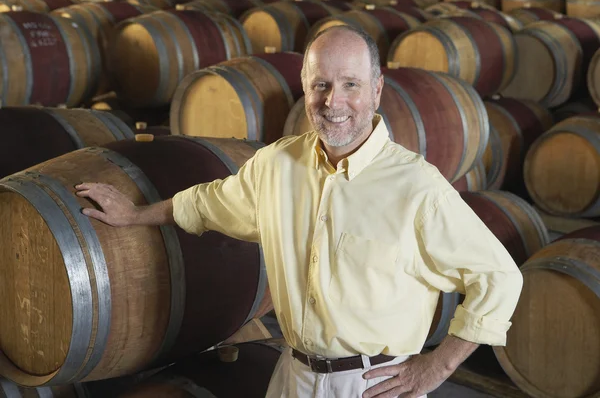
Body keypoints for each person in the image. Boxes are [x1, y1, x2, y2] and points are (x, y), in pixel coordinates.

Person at [76, 26, 523, 398]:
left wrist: (435, 368)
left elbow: (499, 278)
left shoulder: (416, 186)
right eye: (321, 85)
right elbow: (208, 202)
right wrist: (136, 215)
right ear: (306, 88)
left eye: (351, 84)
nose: (334, 102)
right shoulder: (277, 165)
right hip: (294, 377)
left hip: (374, 385)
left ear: (378, 90)